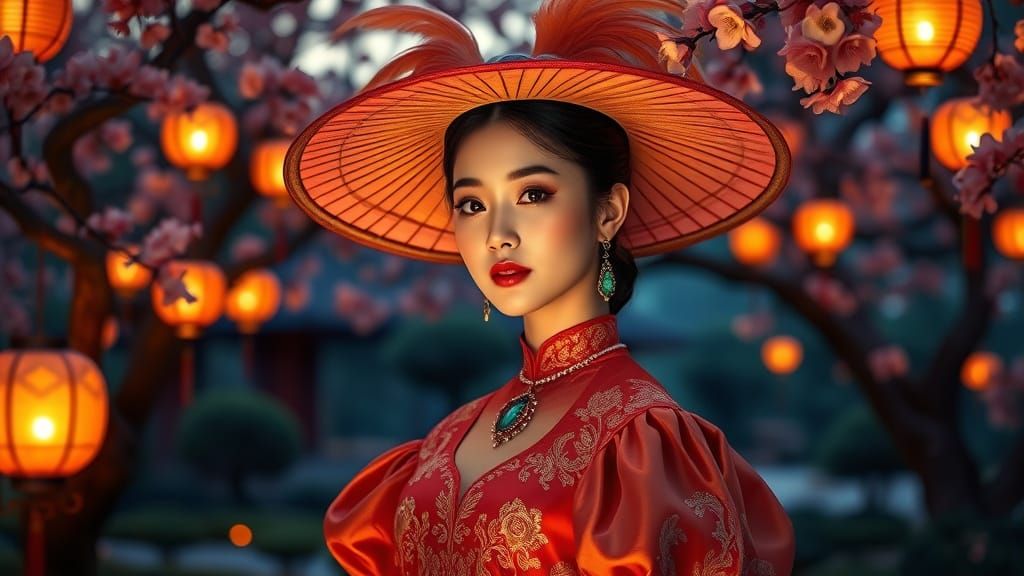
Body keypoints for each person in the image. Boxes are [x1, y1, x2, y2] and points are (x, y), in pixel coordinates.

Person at [283, 1, 796, 574]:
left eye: (533, 194)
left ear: (608, 210)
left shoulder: (645, 439)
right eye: (472, 204)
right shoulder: (446, 436)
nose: (498, 235)